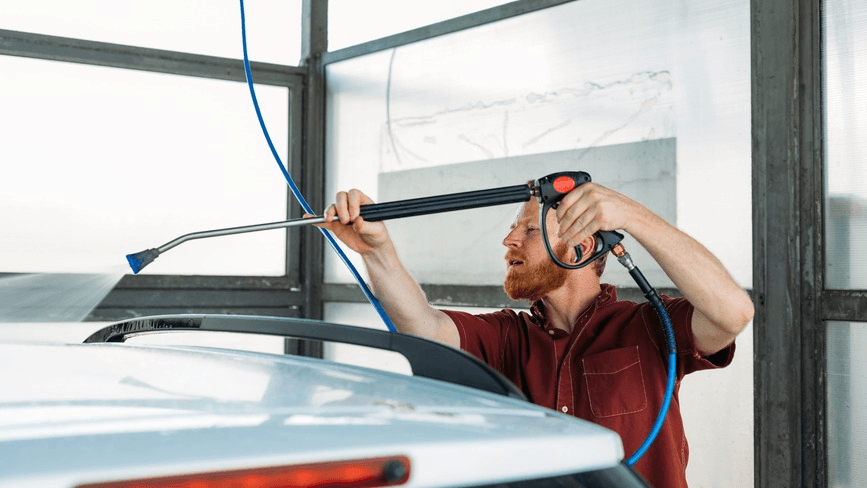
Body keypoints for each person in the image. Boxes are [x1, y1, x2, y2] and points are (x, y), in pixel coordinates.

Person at [315, 180, 754, 488]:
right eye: (513, 229)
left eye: (528, 229)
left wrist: (634, 217)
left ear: (582, 247)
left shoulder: (648, 326)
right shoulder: (508, 335)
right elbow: (424, 328)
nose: (508, 240)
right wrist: (378, 251)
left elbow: (732, 312)